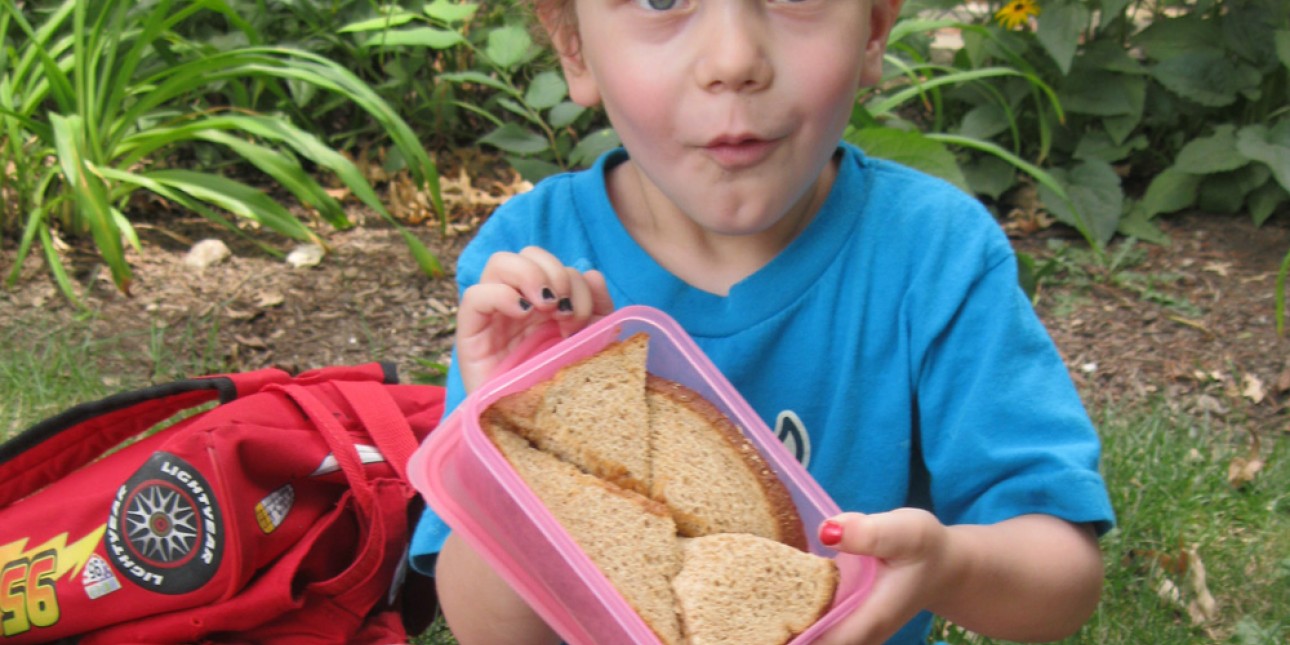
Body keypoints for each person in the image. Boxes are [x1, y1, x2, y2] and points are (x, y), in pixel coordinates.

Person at [409, 0, 1116, 643]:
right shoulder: (531, 275)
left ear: (873, 27)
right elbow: (491, 631)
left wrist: (948, 566)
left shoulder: (934, 255)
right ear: (574, 46)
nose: (734, 60)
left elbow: (1062, 581)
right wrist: (506, 452)